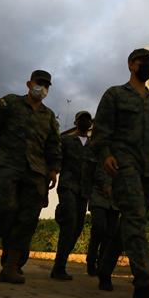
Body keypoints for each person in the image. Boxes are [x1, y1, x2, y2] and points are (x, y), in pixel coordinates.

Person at [90, 48, 149, 298]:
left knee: (130, 224)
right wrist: (107, 154)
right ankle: (145, 284)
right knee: (135, 219)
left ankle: (104, 268)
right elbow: (101, 131)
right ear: (132, 65)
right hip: (124, 165)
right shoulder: (115, 95)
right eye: (145, 63)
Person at [0, 70, 61, 284]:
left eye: (46, 85)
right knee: (1, 207)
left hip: (35, 171)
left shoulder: (49, 115)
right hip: (8, 164)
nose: (42, 88)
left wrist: (53, 169)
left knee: (28, 218)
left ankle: (11, 266)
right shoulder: (11, 103)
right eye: (38, 83)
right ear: (28, 83)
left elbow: (53, 144)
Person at [51, 111, 97, 280]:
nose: (85, 122)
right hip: (68, 186)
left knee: (76, 228)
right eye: (81, 119)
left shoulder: (94, 146)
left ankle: (60, 264)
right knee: (69, 221)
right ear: (76, 122)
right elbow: (56, 158)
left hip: (84, 191)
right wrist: (53, 172)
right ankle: (59, 267)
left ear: (90, 124)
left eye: (87, 119)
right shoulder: (66, 141)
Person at [85, 162, 119, 277]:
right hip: (98, 195)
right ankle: (91, 260)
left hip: (115, 200)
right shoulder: (102, 148)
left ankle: (102, 264)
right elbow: (94, 170)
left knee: (110, 234)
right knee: (99, 227)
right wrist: (105, 185)